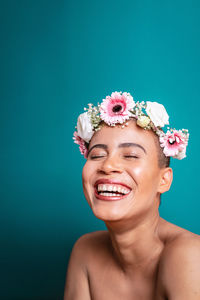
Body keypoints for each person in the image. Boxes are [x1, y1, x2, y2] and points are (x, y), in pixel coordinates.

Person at [64, 92, 200, 300]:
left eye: (130, 156)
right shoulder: (85, 251)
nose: (108, 166)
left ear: (163, 180)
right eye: (97, 155)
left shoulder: (190, 255)